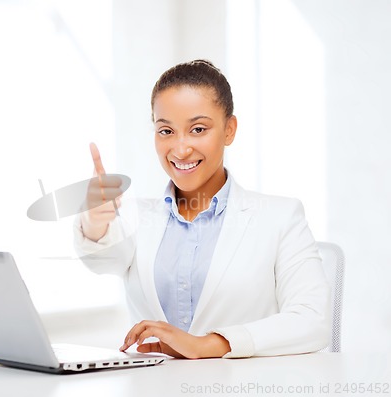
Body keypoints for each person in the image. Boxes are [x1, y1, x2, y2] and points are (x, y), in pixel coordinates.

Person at [74, 60, 331, 359]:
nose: (180, 149)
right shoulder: (134, 216)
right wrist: (95, 222)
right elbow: (103, 259)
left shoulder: (280, 217)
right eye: (166, 131)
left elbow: (313, 320)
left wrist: (206, 345)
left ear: (229, 130)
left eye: (198, 129)